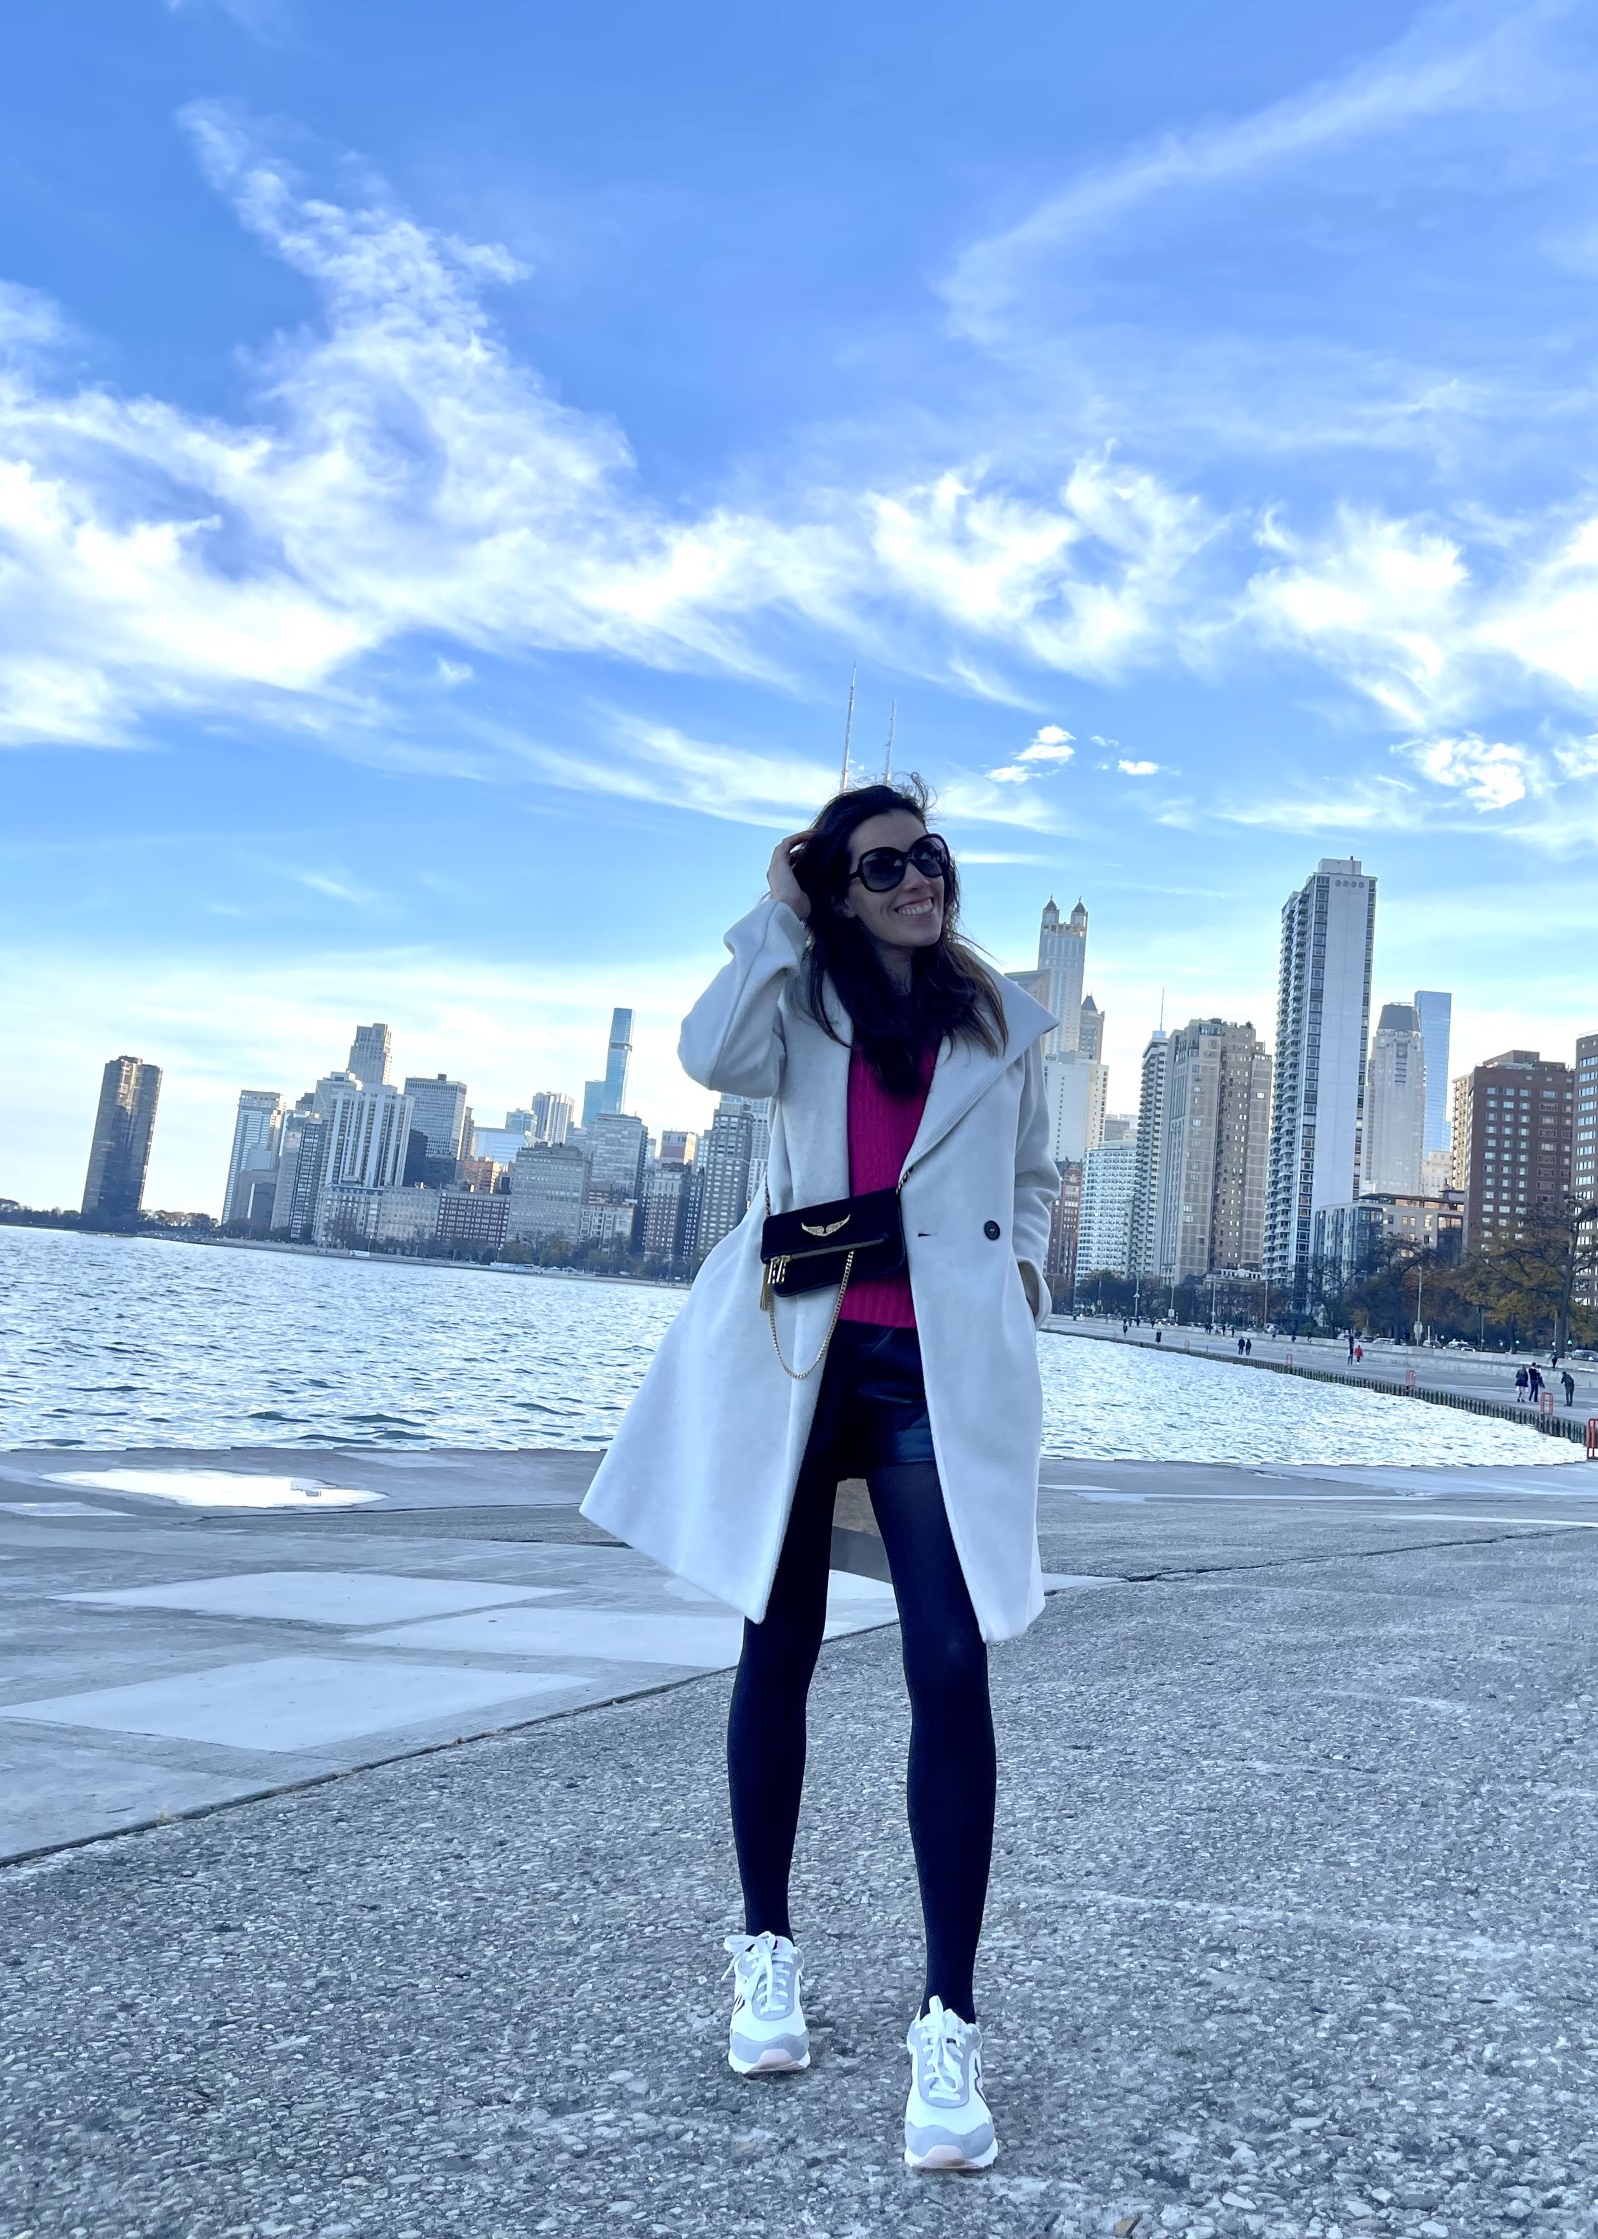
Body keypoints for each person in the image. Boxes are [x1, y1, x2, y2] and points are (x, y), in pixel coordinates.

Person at [581, 780, 1058, 2175]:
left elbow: (1032, 1180)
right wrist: (776, 911)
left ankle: (947, 2022)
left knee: (951, 1663)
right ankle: (765, 1952)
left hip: (931, 1371)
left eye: (931, 857)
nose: (919, 881)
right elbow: (705, 1053)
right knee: (774, 1641)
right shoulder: (797, 997)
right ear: (837, 888)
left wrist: (1017, 1283)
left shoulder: (1001, 1020)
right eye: (884, 866)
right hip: (795, 1352)